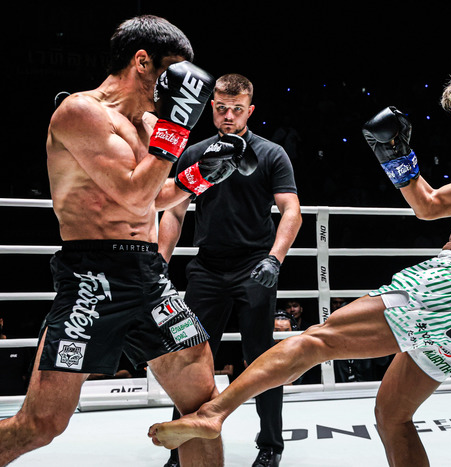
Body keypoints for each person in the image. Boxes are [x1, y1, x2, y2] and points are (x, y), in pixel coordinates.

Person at [147, 60, 451, 467]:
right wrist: (397, 155)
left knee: (317, 340)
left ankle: (212, 413)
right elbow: (429, 206)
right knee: (393, 415)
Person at [0, 15, 253, 467]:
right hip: (92, 277)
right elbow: (132, 192)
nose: (175, 87)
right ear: (142, 61)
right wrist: (177, 129)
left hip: (149, 276)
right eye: (171, 72)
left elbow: (151, 197)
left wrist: (201, 176)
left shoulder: (150, 123)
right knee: (41, 424)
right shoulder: (81, 112)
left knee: (201, 411)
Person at [158, 73, 302, 467]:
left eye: (236, 109)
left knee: (261, 359)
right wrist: (159, 263)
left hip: (255, 265)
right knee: (190, 358)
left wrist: (275, 258)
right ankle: (182, 447)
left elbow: (291, 211)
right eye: (221, 108)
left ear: (249, 110)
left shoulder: (271, 153)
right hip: (207, 267)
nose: (228, 115)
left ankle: (271, 445)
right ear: (211, 108)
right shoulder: (195, 153)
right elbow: (174, 211)